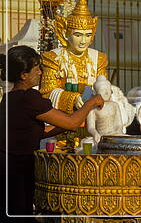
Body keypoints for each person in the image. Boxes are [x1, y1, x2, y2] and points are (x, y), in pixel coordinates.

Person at [0, 45, 104, 222]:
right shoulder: (29, 98)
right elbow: (71, 121)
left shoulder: (10, 97)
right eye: (37, 68)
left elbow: (36, 132)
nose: (41, 72)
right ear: (23, 75)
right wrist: (91, 102)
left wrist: (73, 123)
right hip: (17, 171)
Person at [39, 0, 108, 114]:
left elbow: (103, 89)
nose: (83, 41)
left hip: (92, 117)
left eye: (88, 35)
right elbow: (46, 92)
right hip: (62, 121)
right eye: (78, 35)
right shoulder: (53, 57)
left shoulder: (99, 58)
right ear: (66, 33)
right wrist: (72, 99)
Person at [86, 75, 124, 146]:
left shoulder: (115, 105)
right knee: (86, 143)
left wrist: (118, 132)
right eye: (103, 90)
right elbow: (91, 127)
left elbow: (119, 124)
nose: (106, 92)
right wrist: (95, 134)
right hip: (101, 136)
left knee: (127, 140)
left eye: (108, 89)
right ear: (95, 93)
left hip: (115, 135)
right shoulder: (93, 108)